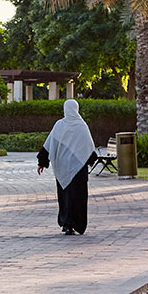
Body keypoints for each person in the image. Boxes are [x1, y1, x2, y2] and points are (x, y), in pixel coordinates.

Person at [37, 99, 97, 235]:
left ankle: (66, 223)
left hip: (62, 168)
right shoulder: (82, 125)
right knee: (78, 196)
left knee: (65, 196)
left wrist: (42, 162)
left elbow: (47, 145)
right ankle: (77, 224)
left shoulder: (59, 125)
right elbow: (88, 146)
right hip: (79, 169)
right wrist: (90, 160)